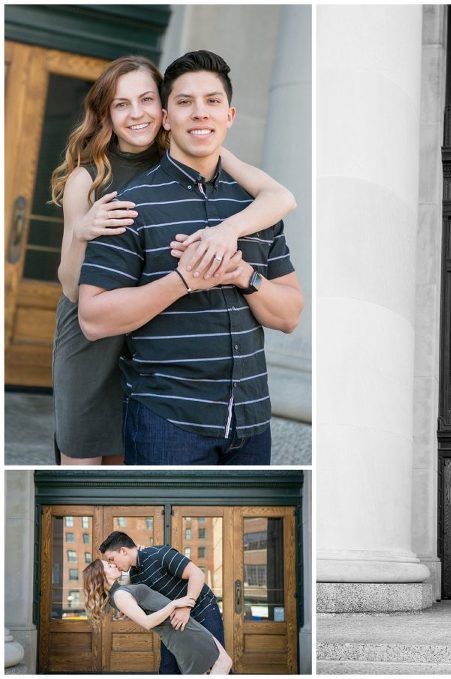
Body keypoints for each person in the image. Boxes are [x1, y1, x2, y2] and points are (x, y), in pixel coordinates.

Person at [50, 54, 296, 466]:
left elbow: (282, 198)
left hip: (154, 339)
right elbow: (72, 287)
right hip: (95, 336)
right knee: (86, 454)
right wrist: (82, 232)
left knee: (125, 458)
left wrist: (225, 234)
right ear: (107, 114)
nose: (136, 114)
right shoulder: (89, 177)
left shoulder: (193, 150)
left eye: (145, 99)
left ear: (162, 110)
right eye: (121, 104)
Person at [98, 531, 226, 674]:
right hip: (173, 623)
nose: (113, 564)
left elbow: (197, 574)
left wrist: (185, 608)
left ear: (123, 551)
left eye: (112, 559)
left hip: (202, 611)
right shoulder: (134, 575)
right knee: (168, 669)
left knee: (218, 662)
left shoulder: (159, 554)